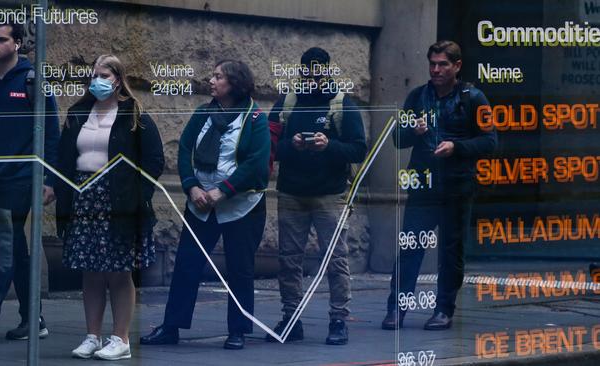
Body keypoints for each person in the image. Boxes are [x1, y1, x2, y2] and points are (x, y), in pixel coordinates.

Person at [140, 59, 269, 350]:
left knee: (240, 268)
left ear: (234, 83)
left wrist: (223, 191)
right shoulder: (202, 113)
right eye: (213, 75)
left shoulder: (255, 119)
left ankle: (238, 329)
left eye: (218, 76)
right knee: (187, 264)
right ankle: (171, 327)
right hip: (200, 204)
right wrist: (192, 186)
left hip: (241, 206)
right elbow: (184, 150)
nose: (211, 80)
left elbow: (256, 164)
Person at [55, 54, 164, 360]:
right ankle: (92, 335)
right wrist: (59, 189)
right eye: (94, 74)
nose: (97, 80)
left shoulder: (133, 114)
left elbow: (154, 160)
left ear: (117, 79)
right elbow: (65, 156)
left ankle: (121, 338)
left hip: (118, 200)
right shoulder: (78, 113)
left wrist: (138, 195)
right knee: (90, 271)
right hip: (84, 196)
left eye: (104, 74)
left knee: (118, 271)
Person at [382, 40, 496, 331]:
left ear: (457, 66)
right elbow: (397, 140)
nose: (436, 69)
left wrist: (455, 147)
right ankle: (397, 308)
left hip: (457, 186)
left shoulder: (474, 98)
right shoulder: (417, 96)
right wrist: (412, 130)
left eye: (443, 64)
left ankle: (444, 310)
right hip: (422, 185)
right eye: (432, 64)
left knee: (450, 250)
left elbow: (489, 141)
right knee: (410, 247)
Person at [266, 47, 366, 346]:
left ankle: (338, 320)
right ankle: (291, 319)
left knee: (335, 260)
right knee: (288, 260)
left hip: (330, 195)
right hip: (292, 192)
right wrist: (292, 145)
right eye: (307, 71)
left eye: (318, 71)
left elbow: (359, 148)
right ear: (301, 72)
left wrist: (329, 145)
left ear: (327, 72)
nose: (312, 76)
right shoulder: (287, 102)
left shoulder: (341, 104)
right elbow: (270, 145)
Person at [0, 20, 60, 341]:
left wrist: (50, 179)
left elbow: (51, 133)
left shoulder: (33, 81)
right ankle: (33, 319)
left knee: (3, 246)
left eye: (1, 40)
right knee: (16, 249)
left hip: (22, 178)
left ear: (17, 43)